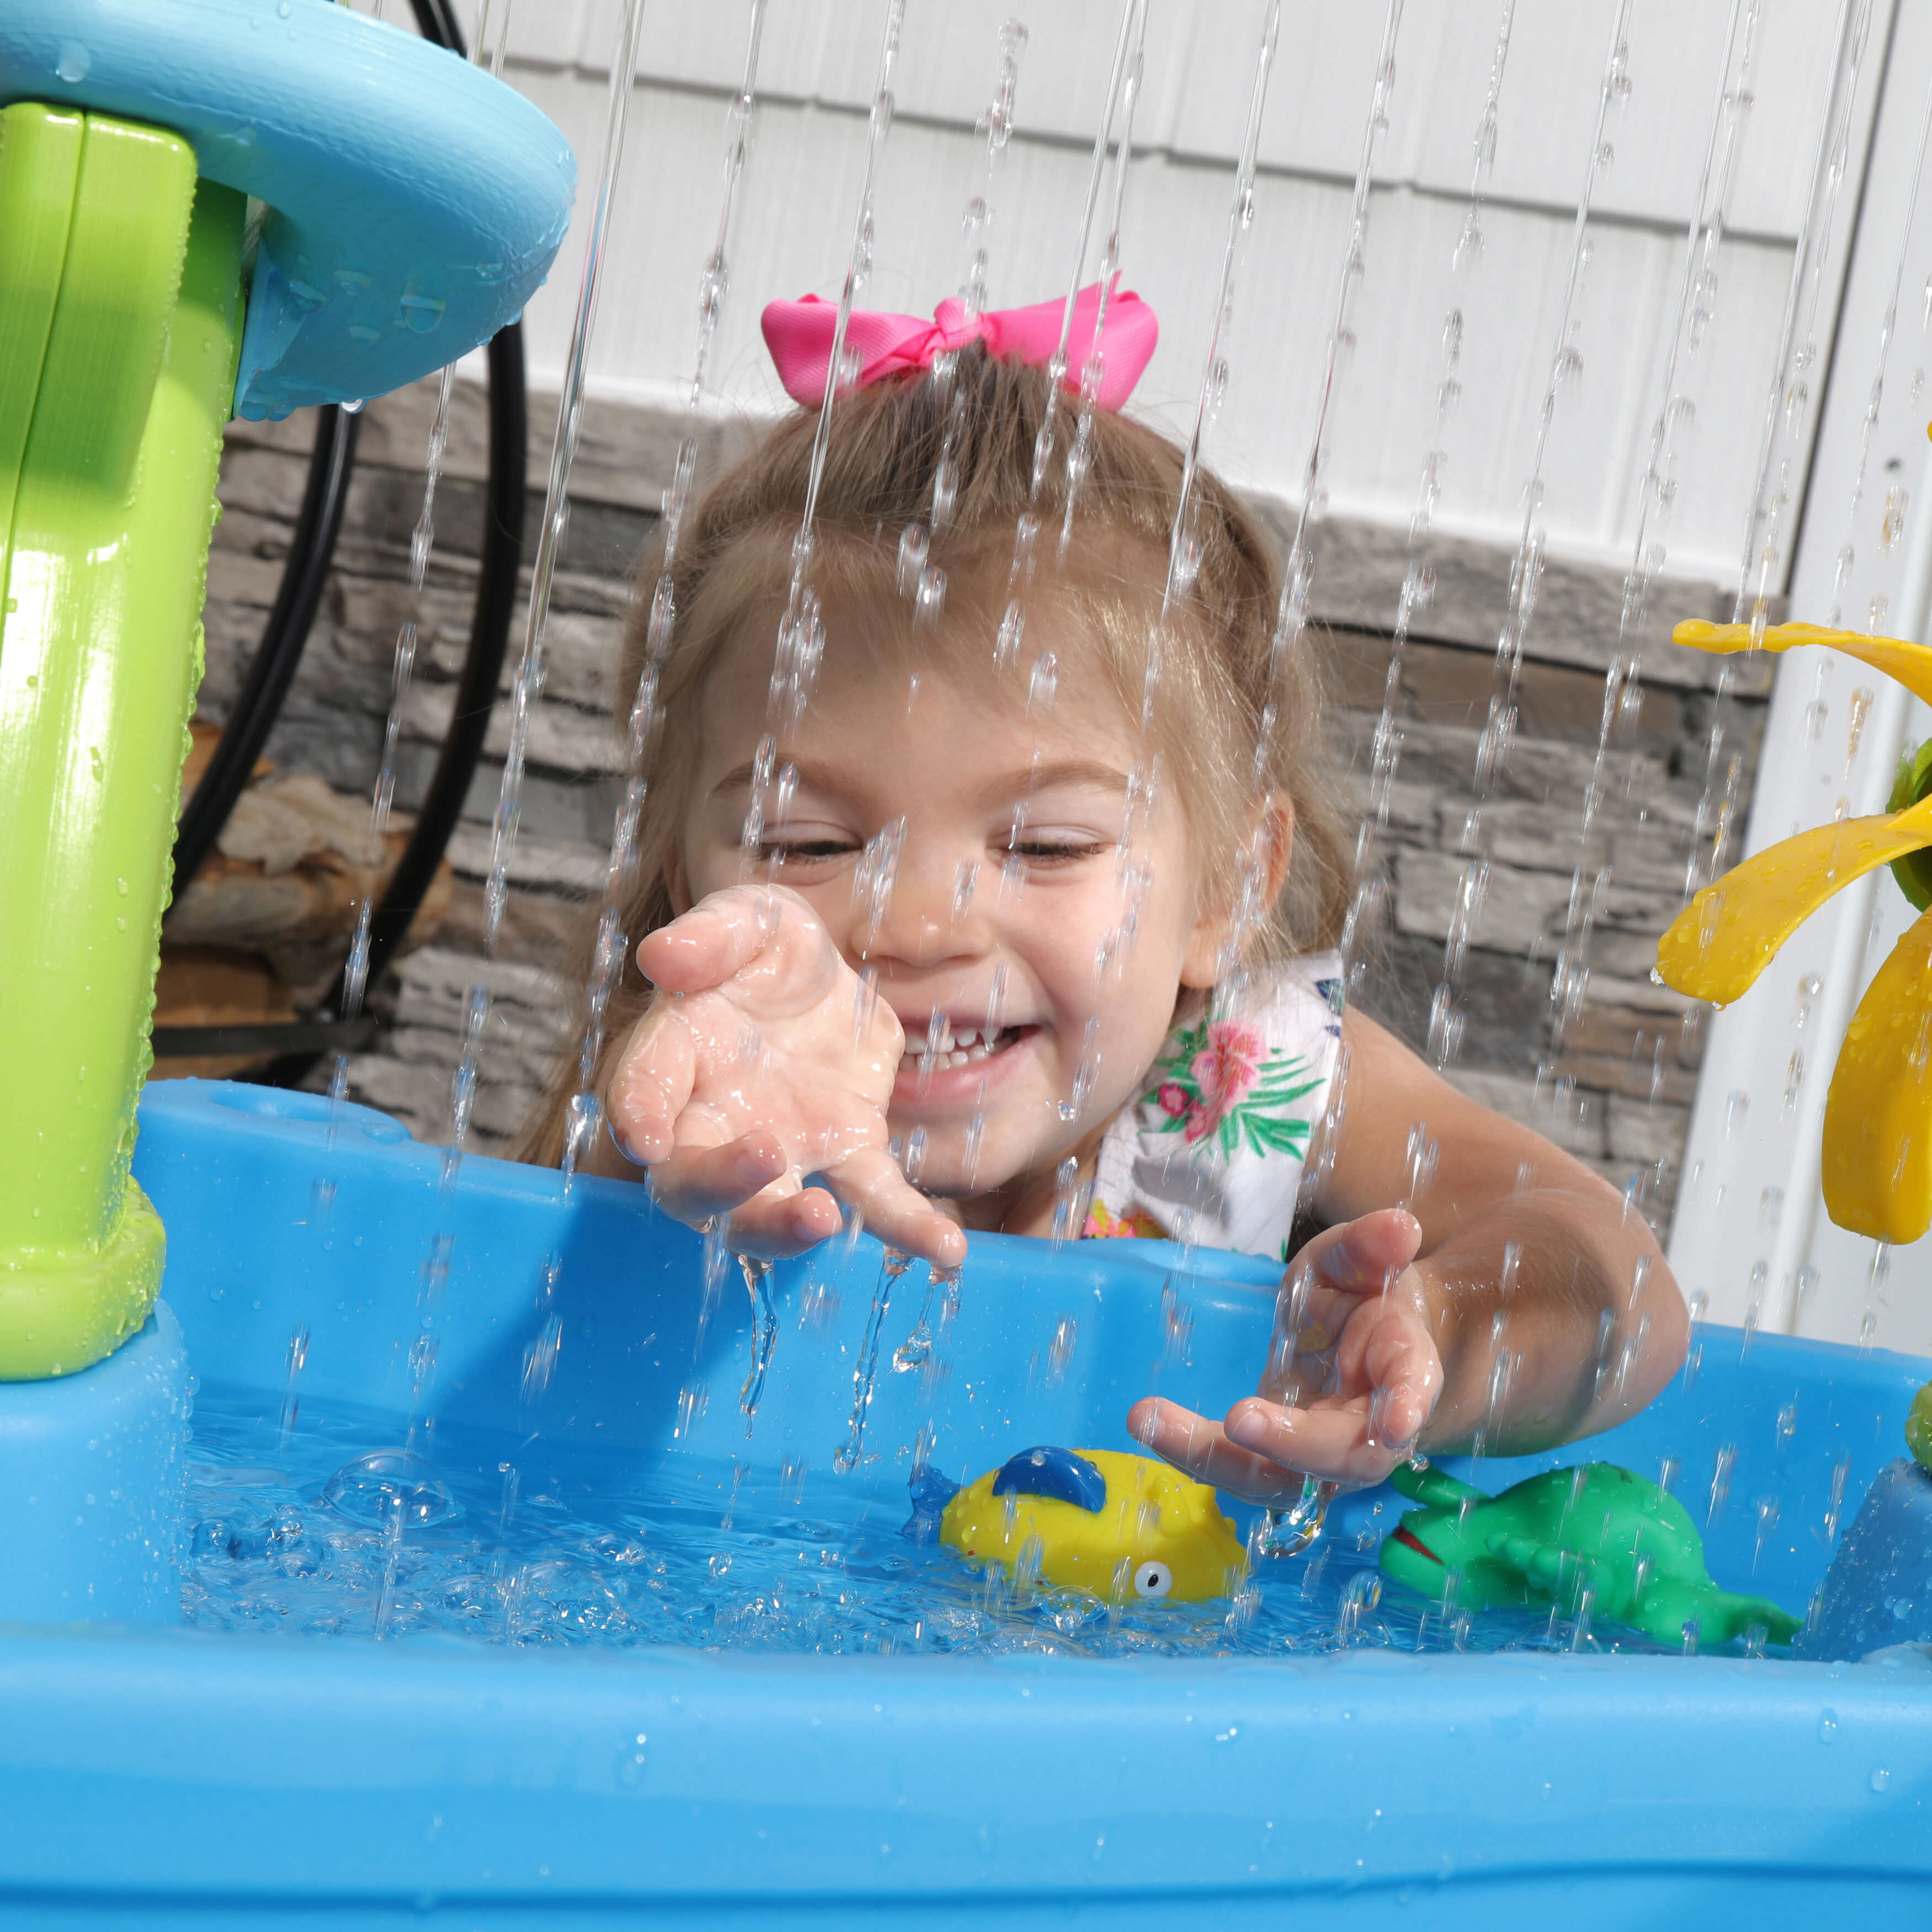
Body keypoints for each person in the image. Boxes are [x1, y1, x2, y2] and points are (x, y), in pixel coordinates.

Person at [519, 284, 1687, 1504]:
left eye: (1045, 847)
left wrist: (1446, 1334)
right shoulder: (693, 1105)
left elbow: (1624, 1289)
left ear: (1228, 891)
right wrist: (658, 1187)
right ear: (680, 880)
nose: (917, 922)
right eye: (806, 841)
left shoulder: (1258, 1076)